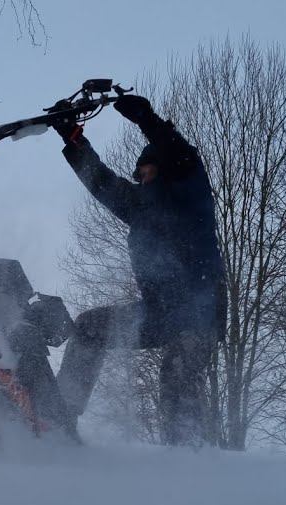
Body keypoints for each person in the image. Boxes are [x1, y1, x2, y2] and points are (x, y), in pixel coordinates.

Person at [50, 94, 226, 446]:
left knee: (178, 367)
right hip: (158, 311)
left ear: (160, 167)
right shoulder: (140, 206)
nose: (137, 176)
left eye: (143, 170)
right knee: (89, 328)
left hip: (198, 314)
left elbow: (180, 154)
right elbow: (101, 182)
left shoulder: (190, 191)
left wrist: (147, 120)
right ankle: (58, 420)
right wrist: (73, 139)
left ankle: (186, 452)